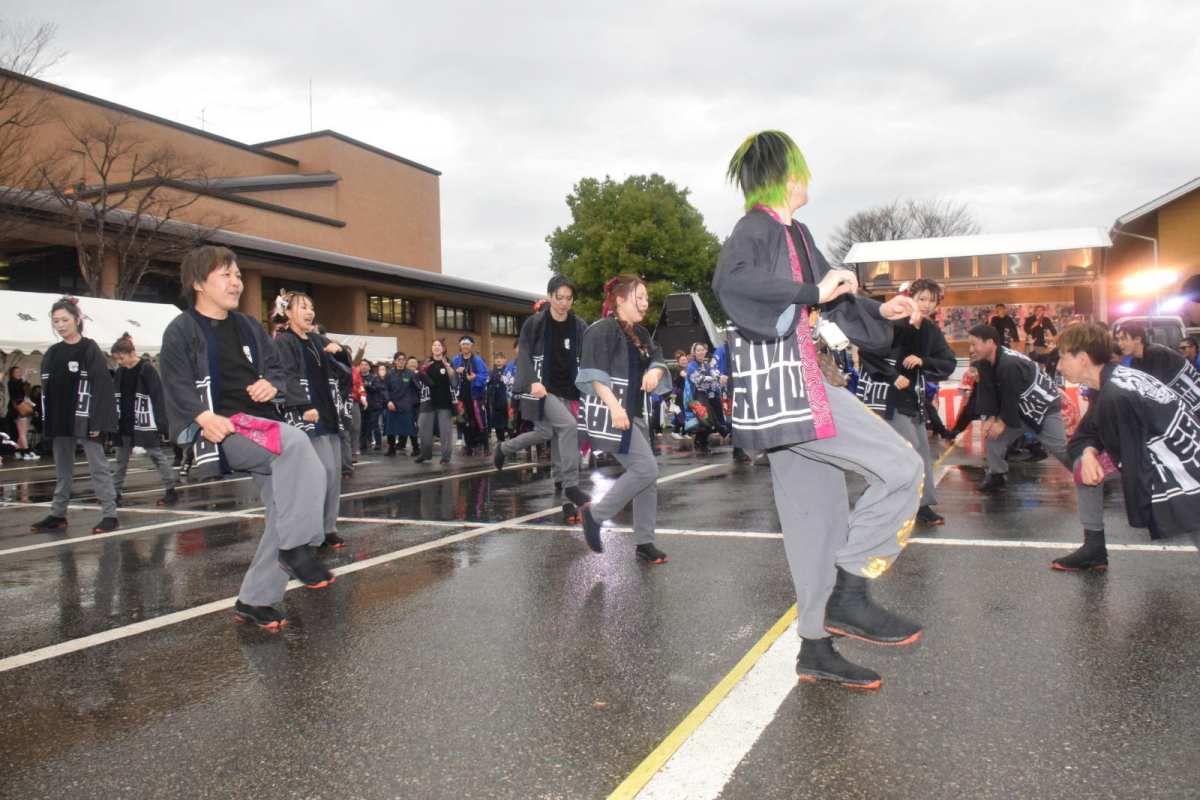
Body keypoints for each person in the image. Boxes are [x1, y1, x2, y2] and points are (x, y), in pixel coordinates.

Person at [713, 130, 925, 689]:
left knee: (817, 526)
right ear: (783, 174)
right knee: (903, 467)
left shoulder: (797, 233)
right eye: (800, 168)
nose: (808, 178)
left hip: (786, 399)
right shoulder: (756, 227)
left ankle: (814, 646)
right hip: (796, 388)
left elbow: (836, 293)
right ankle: (850, 590)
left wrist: (884, 306)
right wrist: (814, 294)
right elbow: (731, 282)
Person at [160, 246, 333, 629]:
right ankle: (296, 547)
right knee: (296, 445)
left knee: (281, 512)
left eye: (237, 275)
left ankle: (255, 600)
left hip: (259, 422)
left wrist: (271, 386)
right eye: (225, 274)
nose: (236, 282)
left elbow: (276, 369)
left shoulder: (248, 325)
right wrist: (204, 415)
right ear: (197, 283)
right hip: (224, 428)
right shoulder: (182, 329)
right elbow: (173, 383)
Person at [1056, 324, 1200, 565]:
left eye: (1062, 358)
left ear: (1082, 358)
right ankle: (1094, 547)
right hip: (1183, 453)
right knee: (1084, 468)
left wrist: (1140, 509)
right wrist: (1090, 454)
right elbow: (1088, 433)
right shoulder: (1111, 380)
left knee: (1193, 517)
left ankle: (1094, 548)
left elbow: (1130, 457)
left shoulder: (1115, 395)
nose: (1059, 366)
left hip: (1183, 465)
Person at [966, 324, 1108, 566]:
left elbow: (1010, 396)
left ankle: (1092, 475)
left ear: (990, 342)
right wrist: (991, 418)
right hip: (1018, 412)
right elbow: (989, 394)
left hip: (1041, 408)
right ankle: (997, 476)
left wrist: (1002, 421)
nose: (971, 349)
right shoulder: (984, 364)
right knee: (992, 438)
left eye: (973, 343)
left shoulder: (1009, 362)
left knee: (1063, 450)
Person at [576, 274, 672, 563]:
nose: (645, 302)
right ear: (619, 300)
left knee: (648, 477)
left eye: (646, 297)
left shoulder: (641, 334)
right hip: (613, 413)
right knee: (645, 470)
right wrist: (615, 407)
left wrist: (655, 371)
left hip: (637, 414)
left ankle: (644, 541)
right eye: (638, 296)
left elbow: (656, 358)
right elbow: (593, 374)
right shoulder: (601, 330)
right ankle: (595, 514)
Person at [856, 278, 957, 525]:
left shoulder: (931, 330)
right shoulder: (893, 321)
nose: (926, 305)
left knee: (920, 452)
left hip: (912, 399)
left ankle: (919, 504)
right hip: (884, 397)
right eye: (922, 298)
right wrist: (893, 376)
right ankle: (888, 499)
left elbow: (948, 362)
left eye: (932, 301)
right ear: (910, 297)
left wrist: (924, 361)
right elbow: (866, 350)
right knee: (906, 452)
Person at [493, 275, 592, 513]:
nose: (564, 303)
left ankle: (505, 449)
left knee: (549, 432)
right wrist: (532, 382)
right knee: (568, 426)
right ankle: (570, 489)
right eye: (559, 298)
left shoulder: (579, 325)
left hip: (569, 389)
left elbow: (589, 353)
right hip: (542, 389)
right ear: (549, 297)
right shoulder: (535, 323)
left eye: (569, 298)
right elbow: (524, 353)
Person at [30, 297, 121, 534]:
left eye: (65, 320)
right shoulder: (52, 353)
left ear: (77, 320)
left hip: (85, 417)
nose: (60, 325)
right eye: (56, 321)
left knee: (98, 466)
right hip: (61, 418)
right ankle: (58, 514)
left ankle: (110, 514)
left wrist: (98, 420)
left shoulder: (88, 348)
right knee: (63, 469)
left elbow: (102, 385)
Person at [272, 291, 352, 549]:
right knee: (321, 472)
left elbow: (344, 371)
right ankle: (314, 530)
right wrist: (304, 404)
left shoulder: (319, 340)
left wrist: (340, 353)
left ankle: (328, 527)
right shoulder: (284, 342)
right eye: (303, 307)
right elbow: (286, 375)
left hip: (327, 411)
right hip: (306, 413)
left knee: (333, 473)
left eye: (311, 307)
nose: (310, 312)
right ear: (287, 312)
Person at [110, 334, 178, 506]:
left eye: (121, 357)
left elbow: (157, 395)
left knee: (155, 454)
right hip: (125, 420)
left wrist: (161, 422)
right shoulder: (120, 372)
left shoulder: (146, 368)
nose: (119, 362)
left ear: (132, 352)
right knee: (121, 459)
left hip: (144, 419)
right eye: (116, 358)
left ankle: (170, 489)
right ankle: (115, 492)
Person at [1114, 324, 1200, 415]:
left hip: (1194, 405)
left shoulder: (1156, 353)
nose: (1119, 344)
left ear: (1138, 339)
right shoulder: (1135, 361)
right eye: (1118, 340)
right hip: (1184, 409)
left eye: (1123, 339)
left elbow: (1154, 392)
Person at [685, 342, 732, 454]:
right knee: (707, 416)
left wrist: (720, 377)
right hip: (696, 394)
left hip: (709, 393)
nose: (701, 352)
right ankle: (722, 431)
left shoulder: (706, 365)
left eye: (703, 350)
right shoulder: (691, 365)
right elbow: (698, 378)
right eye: (698, 350)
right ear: (694, 353)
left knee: (713, 414)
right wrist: (712, 378)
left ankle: (701, 440)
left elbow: (715, 375)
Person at [416, 339, 458, 464]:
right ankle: (424, 454)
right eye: (434, 345)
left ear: (443, 348)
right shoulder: (427, 361)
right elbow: (420, 376)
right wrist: (423, 369)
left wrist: (448, 368)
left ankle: (445, 457)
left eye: (439, 345)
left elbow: (454, 379)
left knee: (446, 430)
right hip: (428, 399)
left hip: (444, 400)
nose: (436, 347)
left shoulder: (448, 361)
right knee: (423, 426)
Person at [453, 336, 490, 456]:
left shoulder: (478, 360)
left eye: (467, 344)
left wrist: (475, 377)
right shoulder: (455, 360)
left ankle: (485, 446)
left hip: (476, 396)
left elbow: (485, 376)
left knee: (479, 421)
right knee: (463, 421)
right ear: (460, 346)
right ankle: (468, 446)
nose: (465, 346)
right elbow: (449, 376)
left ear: (472, 346)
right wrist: (455, 372)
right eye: (463, 344)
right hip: (461, 396)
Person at [383, 352, 420, 456]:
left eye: (403, 359)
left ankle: (416, 448)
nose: (401, 361)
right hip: (392, 405)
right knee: (391, 428)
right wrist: (388, 401)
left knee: (410, 428)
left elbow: (418, 389)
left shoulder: (410, 373)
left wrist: (421, 401)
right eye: (399, 359)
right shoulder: (389, 373)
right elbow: (385, 388)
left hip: (406, 405)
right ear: (395, 361)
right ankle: (391, 449)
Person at [5, 365, 37, 459]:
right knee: (22, 432)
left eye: (20, 372)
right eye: (16, 372)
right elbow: (16, 394)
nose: (19, 374)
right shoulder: (12, 383)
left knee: (23, 432)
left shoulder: (22, 384)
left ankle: (18, 451)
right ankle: (27, 451)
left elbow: (25, 391)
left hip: (23, 409)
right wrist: (25, 375)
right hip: (17, 410)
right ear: (12, 374)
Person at [485, 351, 511, 450]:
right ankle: (500, 439)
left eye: (500, 358)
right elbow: (486, 383)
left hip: (506, 400)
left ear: (504, 360)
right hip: (494, 401)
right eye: (496, 358)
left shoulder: (508, 371)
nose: (498, 360)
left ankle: (510, 440)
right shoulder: (492, 372)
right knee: (496, 421)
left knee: (508, 421)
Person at [363, 362, 387, 451]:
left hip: (373, 404)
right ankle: (363, 443)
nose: (364, 367)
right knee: (363, 425)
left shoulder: (374, 378)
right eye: (362, 365)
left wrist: (368, 385)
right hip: (362, 405)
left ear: (369, 367)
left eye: (366, 365)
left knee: (375, 425)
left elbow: (376, 388)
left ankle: (378, 443)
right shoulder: (358, 377)